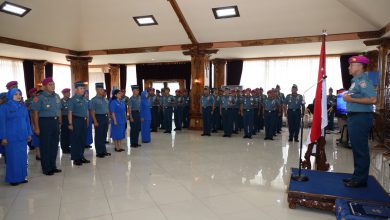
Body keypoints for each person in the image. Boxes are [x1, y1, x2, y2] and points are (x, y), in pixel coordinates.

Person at [343, 55, 377, 188]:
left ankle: (360, 180)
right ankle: (357, 176)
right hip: (355, 116)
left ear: (359, 66)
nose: (349, 67)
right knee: (356, 149)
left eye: (351, 65)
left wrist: (350, 99)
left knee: (360, 149)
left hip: (360, 117)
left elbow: (373, 99)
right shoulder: (355, 81)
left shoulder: (364, 80)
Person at [0, 88, 32, 186]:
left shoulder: (23, 107)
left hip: (22, 136)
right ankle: (13, 179)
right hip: (11, 137)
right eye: (16, 94)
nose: (18, 96)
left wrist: (29, 133)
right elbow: (2, 123)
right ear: (10, 95)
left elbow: (27, 121)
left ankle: (21, 177)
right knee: (13, 158)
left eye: (20, 94)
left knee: (22, 157)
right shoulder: (4, 107)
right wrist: (3, 137)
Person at [31, 77, 62, 175]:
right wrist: (36, 127)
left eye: (53, 84)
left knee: (54, 145)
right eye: (50, 84)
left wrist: (60, 122)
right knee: (45, 146)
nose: (53, 86)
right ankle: (46, 168)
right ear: (44, 86)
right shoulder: (39, 97)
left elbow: (59, 110)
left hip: (55, 122)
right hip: (44, 123)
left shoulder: (56, 96)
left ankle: (53, 166)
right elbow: (35, 113)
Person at [68, 81, 90, 166]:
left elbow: (87, 111)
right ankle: (76, 158)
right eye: (81, 88)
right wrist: (70, 123)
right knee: (75, 140)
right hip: (76, 121)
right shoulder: (73, 100)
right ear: (76, 89)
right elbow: (70, 112)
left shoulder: (84, 99)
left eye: (83, 88)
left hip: (83, 121)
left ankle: (81, 156)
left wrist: (87, 121)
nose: (83, 90)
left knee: (82, 140)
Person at [90, 83, 111, 158]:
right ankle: (99, 152)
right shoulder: (94, 100)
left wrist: (108, 118)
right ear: (97, 90)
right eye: (101, 89)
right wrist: (95, 121)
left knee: (104, 135)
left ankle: (103, 150)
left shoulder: (105, 99)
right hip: (99, 118)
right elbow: (92, 111)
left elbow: (107, 109)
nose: (102, 90)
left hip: (105, 118)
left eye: (103, 89)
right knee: (99, 135)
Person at [28, 88, 41, 160]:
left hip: (41, 121)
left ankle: (41, 154)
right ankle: (38, 155)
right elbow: (31, 113)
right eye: (34, 92)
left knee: (41, 139)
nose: (35, 93)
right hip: (34, 122)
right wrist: (33, 125)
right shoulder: (31, 101)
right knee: (36, 139)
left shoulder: (39, 100)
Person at [60, 88, 71, 154]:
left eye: (69, 92)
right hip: (63, 118)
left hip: (70, 118)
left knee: (69, 133)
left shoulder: (71, 100)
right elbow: (60, 111)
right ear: (63, 94)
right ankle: (64, 148)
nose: (68, 94)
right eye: (67, 93)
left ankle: (68, 146)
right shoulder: (60, 101)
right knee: (64, 134)